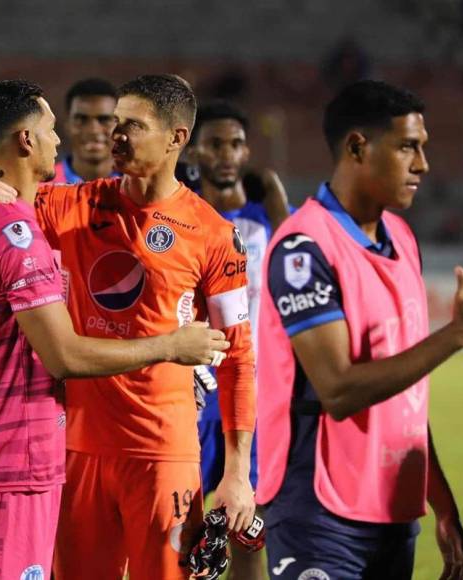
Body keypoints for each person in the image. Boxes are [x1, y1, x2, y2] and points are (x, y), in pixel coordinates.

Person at [0, 74, 257, 580]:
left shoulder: (215, 235)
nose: (115, 134)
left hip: (162, 454)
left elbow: (238, 356)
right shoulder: (69, 205)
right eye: (114, 122)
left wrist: (237, 471)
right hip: (77, 451)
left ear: (176, 138)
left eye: (133, 124)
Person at [257, 79, 463, 580]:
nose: (422, 164)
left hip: (392, 510)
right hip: (319, 509)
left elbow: (403, 392)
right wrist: (457, 334)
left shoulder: (402, 239)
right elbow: (337, 389)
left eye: (422, 148)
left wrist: (441, 505)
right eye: (407, 146)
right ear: (358, 146)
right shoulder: (304, 249)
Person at [177, 100, 290, 580]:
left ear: (248, 152)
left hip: (252, 393)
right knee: (183, 527)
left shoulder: (267, 216)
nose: (226, 154)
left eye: (236, 144)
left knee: (250, 528)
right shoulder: (182, 212)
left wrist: (278, 197)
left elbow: (294, 277)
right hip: (193, 391)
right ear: (195, 150)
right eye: (215, 144)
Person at [53, 77, 119, 184]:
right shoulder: (39, 186)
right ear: (68, 125)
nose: (93, 130)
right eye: (81, 119)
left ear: (119, 126)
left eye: (104, 120)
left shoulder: (140, 188)